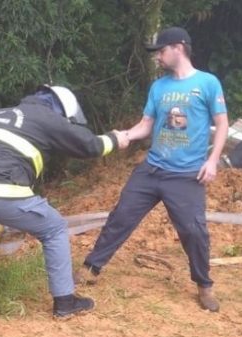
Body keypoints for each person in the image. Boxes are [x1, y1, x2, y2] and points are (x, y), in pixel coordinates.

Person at [0, 85, 129, 337]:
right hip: (2, 188)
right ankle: (65, 302)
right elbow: (88, 146)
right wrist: (116, 139)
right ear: (60, 108)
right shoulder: (46, 116)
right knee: (54, 228)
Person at [79, 27, 229, 312]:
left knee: (194, 231)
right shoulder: (158, 87)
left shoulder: (208, 83)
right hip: (152, 169)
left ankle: (204, 285)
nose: (158, 57)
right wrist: (124, 135)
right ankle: (91, 268)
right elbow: (146, 125)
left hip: (186, 175)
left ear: (178, 47)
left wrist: (213, 160)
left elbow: (222, 124)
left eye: (161, 51)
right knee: (121, 216)